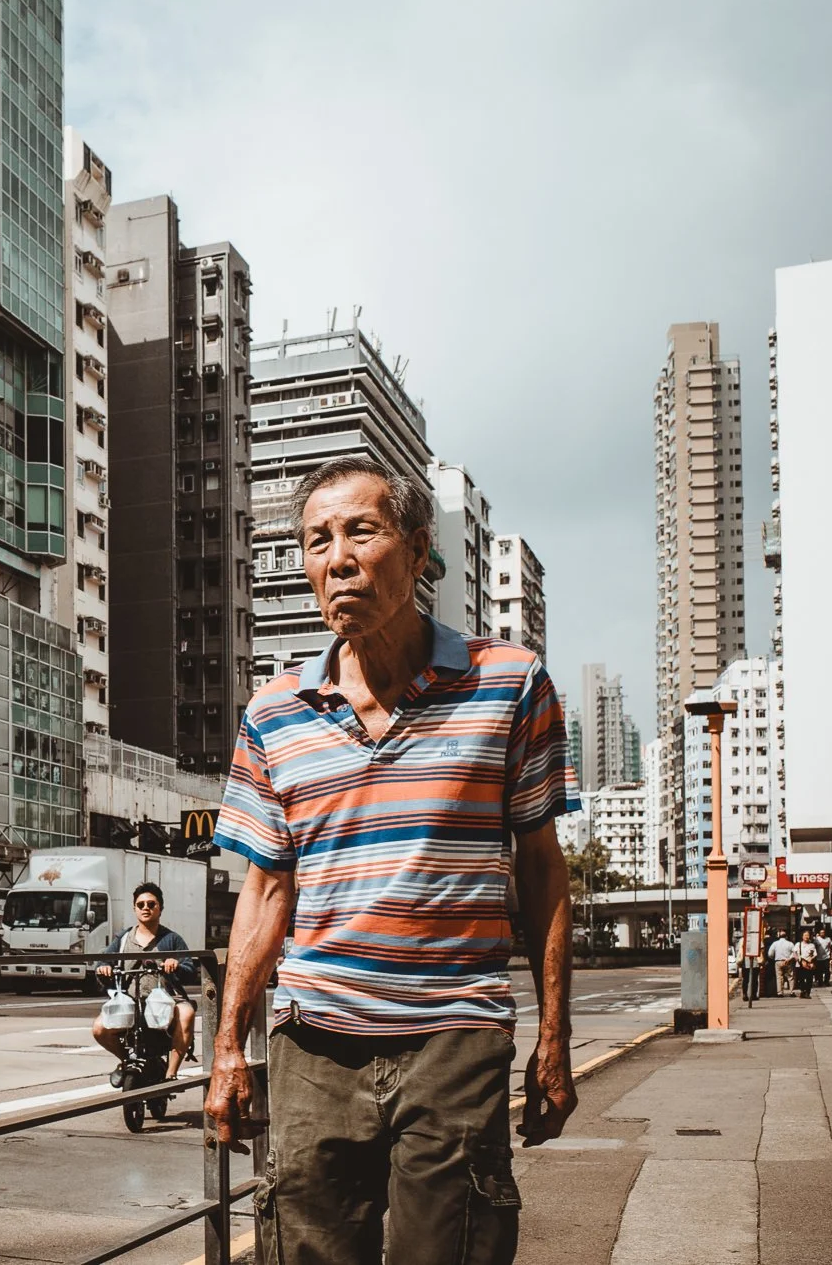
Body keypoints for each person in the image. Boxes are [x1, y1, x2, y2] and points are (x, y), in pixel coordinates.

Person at [202, 458, 576, 1265]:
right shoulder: (273, 715)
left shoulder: (509, 685)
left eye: (360, 531)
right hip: (314, 1045)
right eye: (315, 541)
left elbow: (543, 868)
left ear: (415, 549)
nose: (336, 557)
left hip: (454, 1038)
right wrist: (229, 1045)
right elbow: (265, 891)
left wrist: (555, 1035)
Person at [91, 881, 198, 1081]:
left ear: (160, 908)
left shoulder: (172, 939)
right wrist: (103, 969)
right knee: (99, 1028)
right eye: (141, 905)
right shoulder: (122, 939)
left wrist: (175, 965)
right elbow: (102, 963)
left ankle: (171, 1074)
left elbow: (190, 969)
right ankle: (126, 1061)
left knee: (187, 1013)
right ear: (134, 909)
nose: (146, 908)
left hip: (167, 1001)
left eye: (151, 904)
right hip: (130, 1001)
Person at [767, 930, 795, 998]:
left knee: (779, 977)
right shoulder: (790, 943)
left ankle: (780, 992)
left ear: (779, 936)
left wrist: (774, 958)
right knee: (790, 977)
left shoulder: (775, 943)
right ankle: (791, 992)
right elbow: (794, 953)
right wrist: (789, 959)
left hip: (778, 961)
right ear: (786, 936)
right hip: (787, 961)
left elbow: (770, 954)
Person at [794, 930, 818, 998]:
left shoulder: (812, 945)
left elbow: (815, 954)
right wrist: (798, 959)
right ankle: (802, 991)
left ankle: (807, 992)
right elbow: (795, 953)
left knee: (809, 979)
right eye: (805, 935)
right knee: (800, 979)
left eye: (808, 935)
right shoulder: (798, 944)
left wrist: (812, 959)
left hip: (809, 964)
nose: (806, 937)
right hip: (800, 964)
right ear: (802, 936)